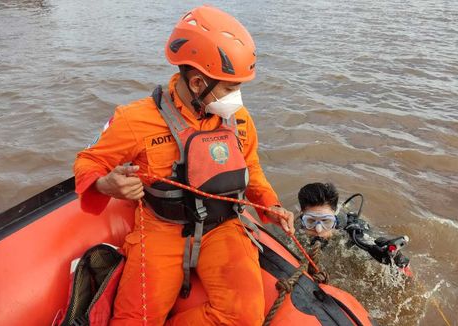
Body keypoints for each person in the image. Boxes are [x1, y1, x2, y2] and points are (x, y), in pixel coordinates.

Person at [73, 5, 294, 326]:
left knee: (244, 315)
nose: (238, 98)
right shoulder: (135, 119)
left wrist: (270, 206)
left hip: (223, 227)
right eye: (230, 88)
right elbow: (87, 160)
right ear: (196, 84)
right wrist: (106, 185)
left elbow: (252, 169)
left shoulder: (240, 120)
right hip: (163, 229)